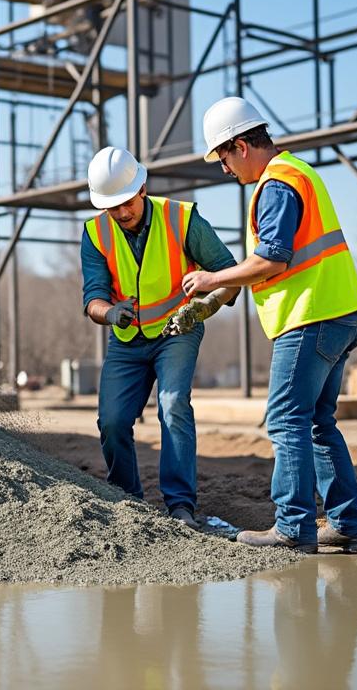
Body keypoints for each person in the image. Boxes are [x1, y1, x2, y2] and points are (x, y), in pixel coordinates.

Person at [179, 97, 357, 553]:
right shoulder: (300, 172)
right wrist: (222, 294)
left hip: (309, 317)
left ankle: (292, 527)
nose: (225, 170)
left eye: (223, 157)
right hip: (340, 312)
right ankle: (346, 525)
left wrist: (211, 278)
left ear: (241, 145)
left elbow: (272, 258)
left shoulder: (277, 185)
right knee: (319, 422)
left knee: (286, 420)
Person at [81, 146, 239, 529]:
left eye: (126, 203)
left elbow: (231, 276)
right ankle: (126, 498)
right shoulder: (95, 233)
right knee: (113, 421)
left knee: (172, 405)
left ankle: (181, 505)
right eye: (112, 207)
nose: (121, 213)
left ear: (142, 187)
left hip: (177, 331)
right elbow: (93, 299)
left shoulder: (182, 219)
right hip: (126, 339)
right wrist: (110, 313)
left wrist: (204, 306)